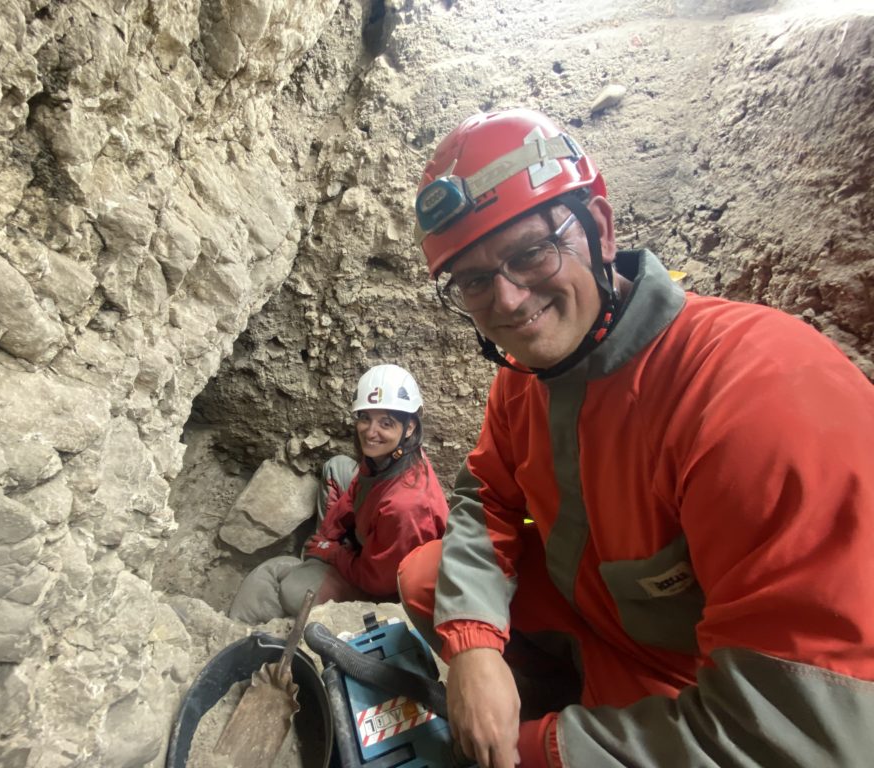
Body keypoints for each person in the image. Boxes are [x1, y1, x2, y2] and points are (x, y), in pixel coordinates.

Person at [396, 108, 874, 768]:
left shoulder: (755, 397)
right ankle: (558, 697)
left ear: (598, 227)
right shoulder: (529, 377)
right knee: (427, 578)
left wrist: (533, 750)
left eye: (530, 252)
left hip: (703, 688)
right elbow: (488, 497)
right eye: (475, 281)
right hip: (603, 629)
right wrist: (474, 645)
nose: (506, 301)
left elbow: (804, 736)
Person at [229, 364, 449, 624]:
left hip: (386, 587)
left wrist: (333, 554)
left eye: (386, 423)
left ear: (409, 427)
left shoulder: (406, 506)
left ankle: (240, 629)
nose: (370, 431)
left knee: (290, 586)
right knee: (338, 467)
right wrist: (326, 539)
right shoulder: (390, 456)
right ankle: (318, 562)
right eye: (365, 417)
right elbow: (355, 490)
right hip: (375, 540)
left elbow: (379, 581)